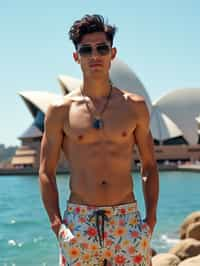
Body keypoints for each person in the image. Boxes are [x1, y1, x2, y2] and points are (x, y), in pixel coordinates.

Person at [39, 14, 159, 266]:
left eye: (102, 48)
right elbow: (46, 172)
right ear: (76, 56)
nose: (95, 56)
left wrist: (150, 220)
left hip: (127, 220)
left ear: (112, 53)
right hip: (79, 221)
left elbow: (148, 165)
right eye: (86, 50)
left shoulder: (134, 106)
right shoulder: (60, 110)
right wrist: (57, 224)